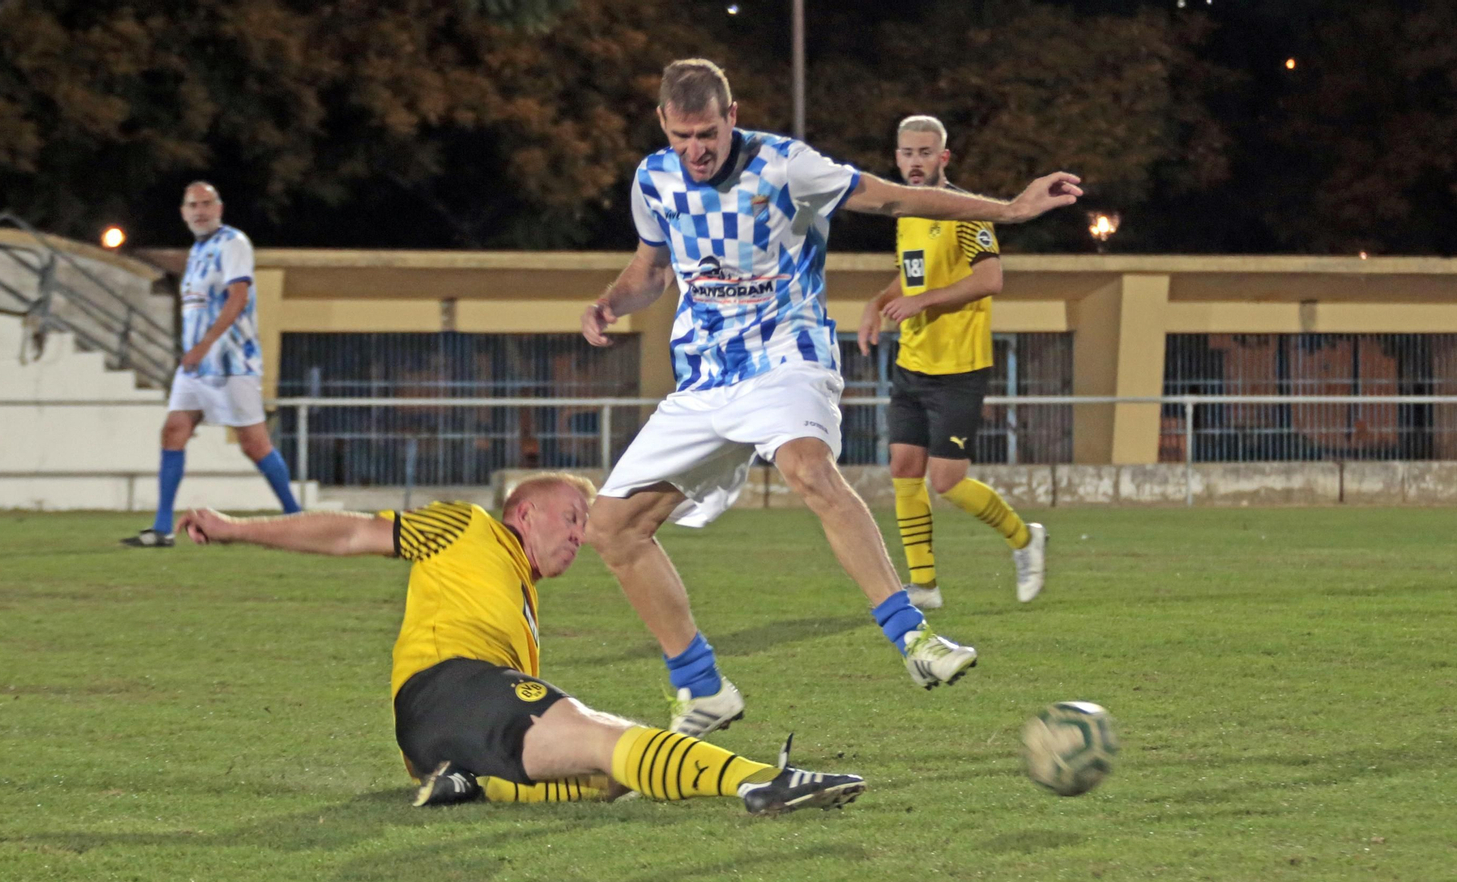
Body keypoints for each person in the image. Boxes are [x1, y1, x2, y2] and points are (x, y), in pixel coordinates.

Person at [580, 59, 1080, 737]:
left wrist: (1011, 211)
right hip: (704, 378)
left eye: (707, 134)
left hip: (787, 356)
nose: (695, 150)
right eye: (681, 136)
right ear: (664, 125)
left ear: (732, 117)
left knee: (807, 468)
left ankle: (916, 641)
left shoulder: (788, 166)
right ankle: (702, 688)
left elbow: (894, 198)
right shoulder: (654, 178)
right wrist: (610, 303)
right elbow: (651, 270)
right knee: (611, 529)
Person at [174, 473, 866, 815]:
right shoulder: (467, 526)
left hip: (431, 734)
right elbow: (352, 532)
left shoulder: (519, 594)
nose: (578, 534)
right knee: (604, 734)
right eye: (570, 517)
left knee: (603, 778)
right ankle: (760, 781)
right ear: (522, 511)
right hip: (451, 687)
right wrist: (236, 527)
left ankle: (461, 783)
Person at [856, 115, 1047, 609]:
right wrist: (877, 303)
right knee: (902, 466)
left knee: (947, 481)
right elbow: (910, 277)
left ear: (944, 158)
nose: (914, 162)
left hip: (958, 367)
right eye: (906, 153)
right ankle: (924, 586)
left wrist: (925, 302)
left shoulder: (966, 213)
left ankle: (1025, 540)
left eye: (925, 153)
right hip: (913, 360)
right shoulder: (907, 215)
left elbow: (990, 278)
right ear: (896, 158)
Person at [122, 182, 301, 548]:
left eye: (206, 204)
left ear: (219, 208)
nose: (200, 211)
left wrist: (204, 345)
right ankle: (161, 529)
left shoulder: (233, 243)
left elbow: (238, 296)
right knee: (174, 431)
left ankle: (297, 519)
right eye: (193, 205)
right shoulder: (198, 250)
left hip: (232, 362)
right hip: (196, 366)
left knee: (255, 444)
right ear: (183, 212)